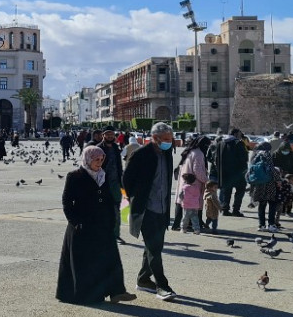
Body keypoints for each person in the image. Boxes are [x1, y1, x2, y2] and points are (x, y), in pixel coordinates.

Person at [56, 145, 136, 305]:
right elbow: (66, 202)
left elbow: (107, 200)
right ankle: (86, 294)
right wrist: (75, 222)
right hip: (83, 226)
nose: (99, 163)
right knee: (86, 262)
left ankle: (116, 292)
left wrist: (112, 219)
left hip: (102, 225)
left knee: (111, 258)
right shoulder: (75, 176)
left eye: (101, 160)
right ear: (88, 160)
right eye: (96, 160)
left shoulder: (102, 175)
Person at [123, 122, 177, 301]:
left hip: (162, 208)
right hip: (147, 210)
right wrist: (136, 200)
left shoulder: (166, 153)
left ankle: (144, 279)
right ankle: (162, 285)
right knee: (155, 248)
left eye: (171, 139)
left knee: (155, 247)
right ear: (155, 138)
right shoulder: (140, 154)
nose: (170, 142)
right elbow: (126, 180)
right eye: (167, 139)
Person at [176, 135, 210, 234]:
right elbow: (197, 170)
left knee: (185, 206)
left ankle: (183, 225)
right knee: (193, 208)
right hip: (194, 184)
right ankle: (193, 226)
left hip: (185, 182)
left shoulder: (190, 151)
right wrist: (206, 180)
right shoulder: (199, 154)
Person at [214, 128, 248, 217]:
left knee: (226, 192)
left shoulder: (221, 143)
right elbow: (244, 158)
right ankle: (236, 210)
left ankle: (225, 209)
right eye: (240, 133)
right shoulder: (239, 143)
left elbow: (216, 159)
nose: (241, 135)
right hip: (238, 174)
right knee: (240, 191)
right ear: (236, 134)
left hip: (225, 173)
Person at [249, 142, 282, 232]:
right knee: (272, 204)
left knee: (262, 205)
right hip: (269, 184)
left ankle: (261, 225)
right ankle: (271, 225)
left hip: (259, 184)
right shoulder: (266, 154)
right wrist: (278, 179)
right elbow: (271, 169)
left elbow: (250, 170)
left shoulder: (255, 155)